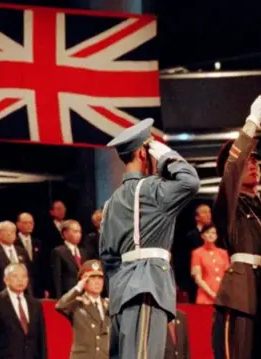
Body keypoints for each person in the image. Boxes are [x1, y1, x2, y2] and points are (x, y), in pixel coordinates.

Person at [100, 118, 200, 359]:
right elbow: (190, 181)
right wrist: (167, 155)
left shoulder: (110, 203)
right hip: (148, 286)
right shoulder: (153, 190)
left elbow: (107, 258)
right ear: (144, 153)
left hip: (123, 290)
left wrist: (123, 285)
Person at [210, 93, 261, 359]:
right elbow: (233, 167)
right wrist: (252, 122)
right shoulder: (230, 205)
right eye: (248, 160)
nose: (253, 164)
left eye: (256, 159)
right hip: (242, 298)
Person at [0, 263, 48, 359]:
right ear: (6, 280)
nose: (20, 280)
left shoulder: (35, 304)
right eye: (15, 276)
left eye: (24, 276)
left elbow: (41, 339)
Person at [56, 259, 110, 359]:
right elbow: (60, 306)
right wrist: (78, 287)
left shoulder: (107, 304)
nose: (97, 282)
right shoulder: (77, 304)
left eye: (100, 278)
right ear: (83, 280)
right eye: (92, 277)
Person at [190, 223, 230, 304]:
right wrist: (212, 294)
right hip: (205, 296)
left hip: (222, 294)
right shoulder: (197, 253)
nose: (210, 235)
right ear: (202, 235)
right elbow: (198, 279)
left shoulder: (223, 253)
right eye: (208, 232)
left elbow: (228, 275)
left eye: (213, 233)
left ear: (216, 236)